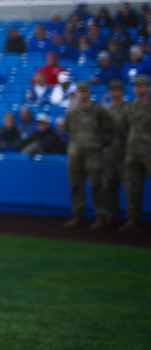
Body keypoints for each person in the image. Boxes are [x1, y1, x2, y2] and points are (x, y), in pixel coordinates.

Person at [63, 81, 114, 230]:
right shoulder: (70, 111)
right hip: (75, 152)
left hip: (94, 153)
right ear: (76, 93)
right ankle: (77, 215)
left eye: (85, 91)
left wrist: (99, 145)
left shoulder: (98, 110)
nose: (83, 94)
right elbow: (68, 130)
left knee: (97, 185)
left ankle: (100, 216)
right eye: (80, 91)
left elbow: (108, 130)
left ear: (89, 93)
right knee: (75, 185)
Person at [121, 75, 151, 232]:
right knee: (132, 188)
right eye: (135, 85)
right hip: (132, 152)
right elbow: (125, 127)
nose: (137, 88)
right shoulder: (129, 106)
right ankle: (132, 219)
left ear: (148, 87)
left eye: (141, 85)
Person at [101, 79, 131, 226]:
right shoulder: (106, 109)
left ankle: (132, 219)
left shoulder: (129, 108)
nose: (114, 93)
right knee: (108, 186)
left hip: (125, 153)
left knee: (129, 187)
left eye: (117, 90)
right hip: (109, 153)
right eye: (112, 90)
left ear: (122, 92)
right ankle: (111, 215)